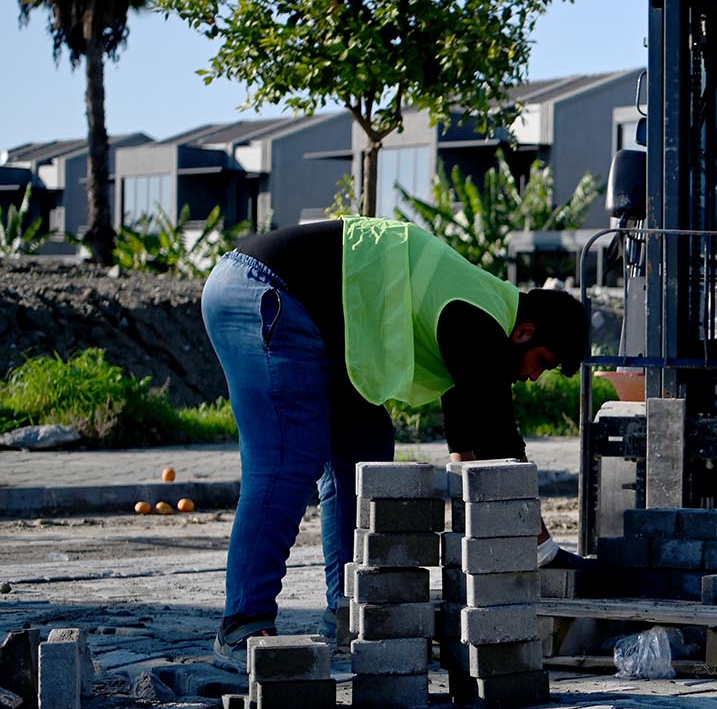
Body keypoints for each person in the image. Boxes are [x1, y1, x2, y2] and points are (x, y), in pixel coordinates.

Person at [201, 216, 588, 661]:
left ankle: (351, 609)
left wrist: (481, 553)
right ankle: (241, 625)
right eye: (542, 362)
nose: (534, 376)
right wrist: (542, 552)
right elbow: (502, 444)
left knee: (366, 451)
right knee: (288, 459)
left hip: (329, 328)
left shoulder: (475, 315)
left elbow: (470, 453)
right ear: (525, 333)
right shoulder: (481, 323)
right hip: (265, 291)